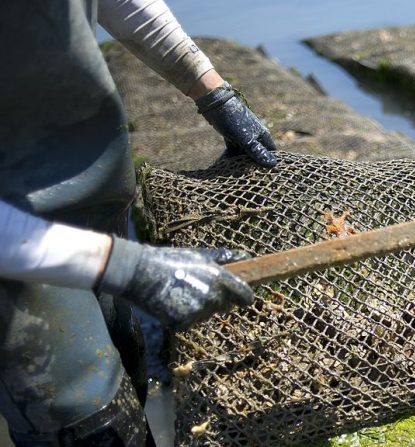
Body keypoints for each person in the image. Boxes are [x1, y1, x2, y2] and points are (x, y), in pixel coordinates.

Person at [0, 0, 279, 444]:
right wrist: (127, 267)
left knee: (127, 358)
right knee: (88, 412)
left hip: (92, 196)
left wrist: (211, 90)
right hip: (15, 263)